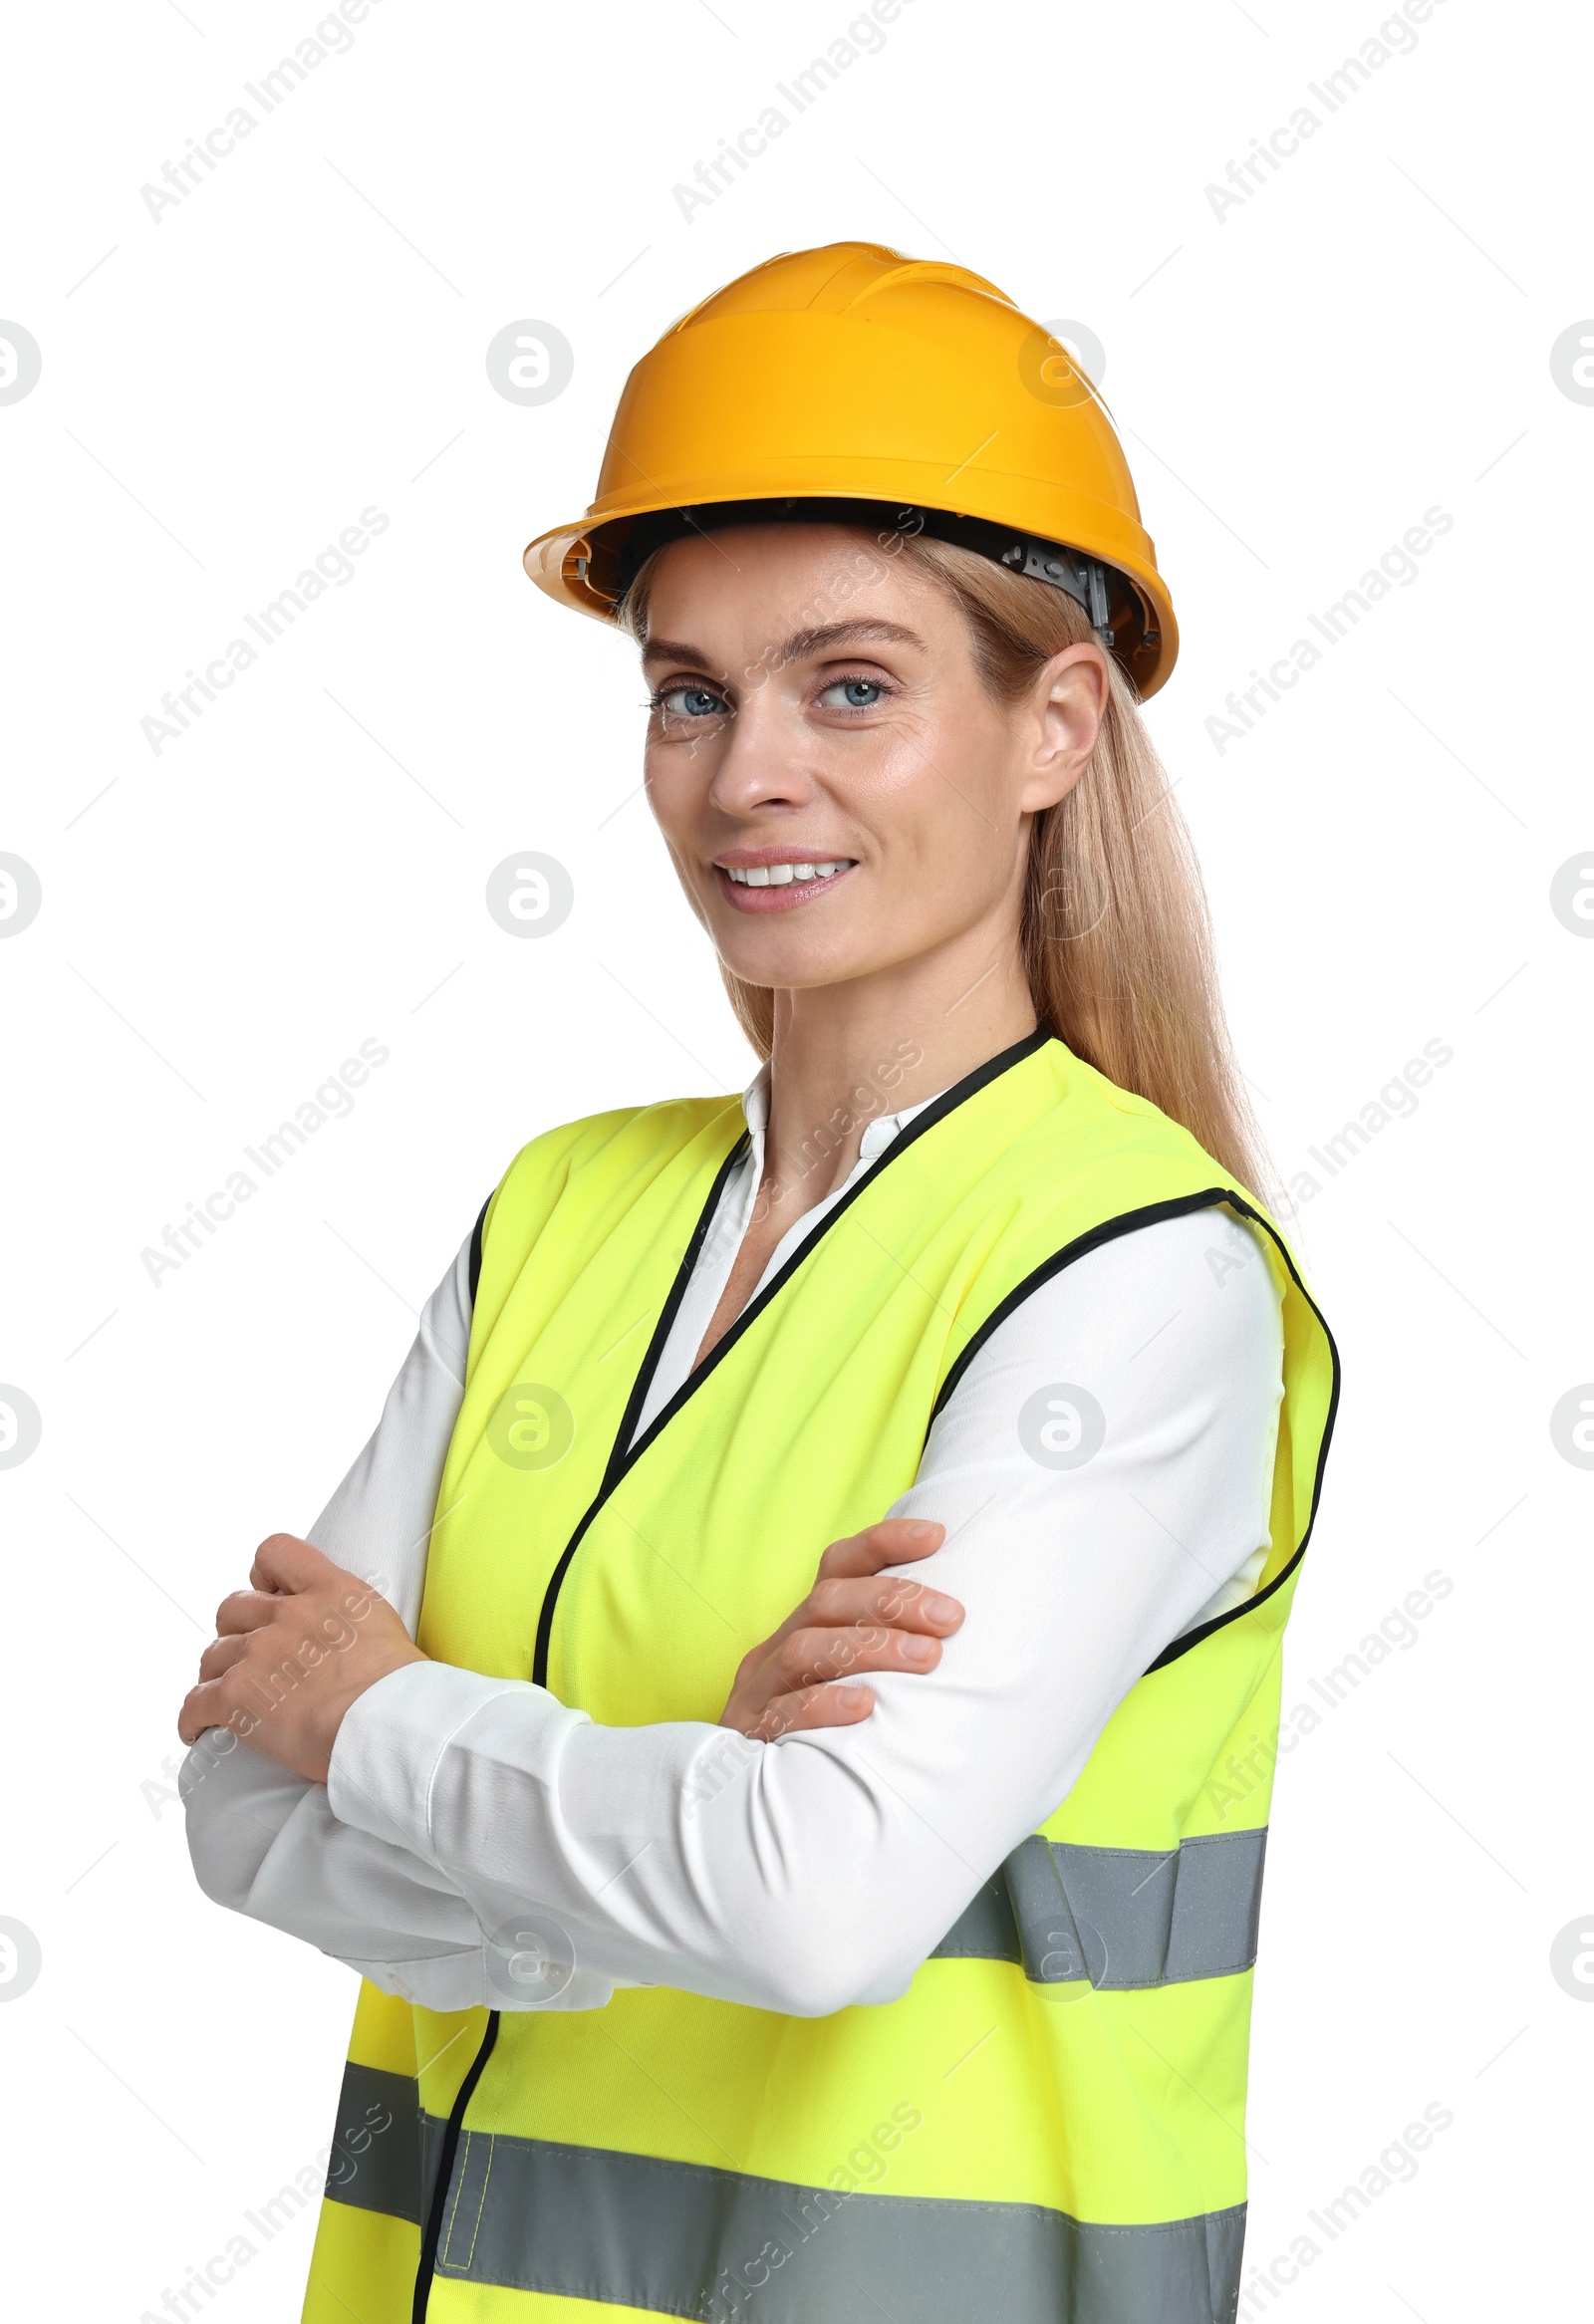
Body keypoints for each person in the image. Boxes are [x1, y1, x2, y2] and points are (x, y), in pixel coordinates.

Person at [179, 242, 1338, 2324]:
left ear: (1053, 723)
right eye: (688, 692)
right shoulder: (559, 1210)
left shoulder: (1132, 1279)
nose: (743, 776)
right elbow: (239, 1811)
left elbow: (814, 1907)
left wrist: (387, 1716)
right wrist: (650, 1822)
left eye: (853, 685)